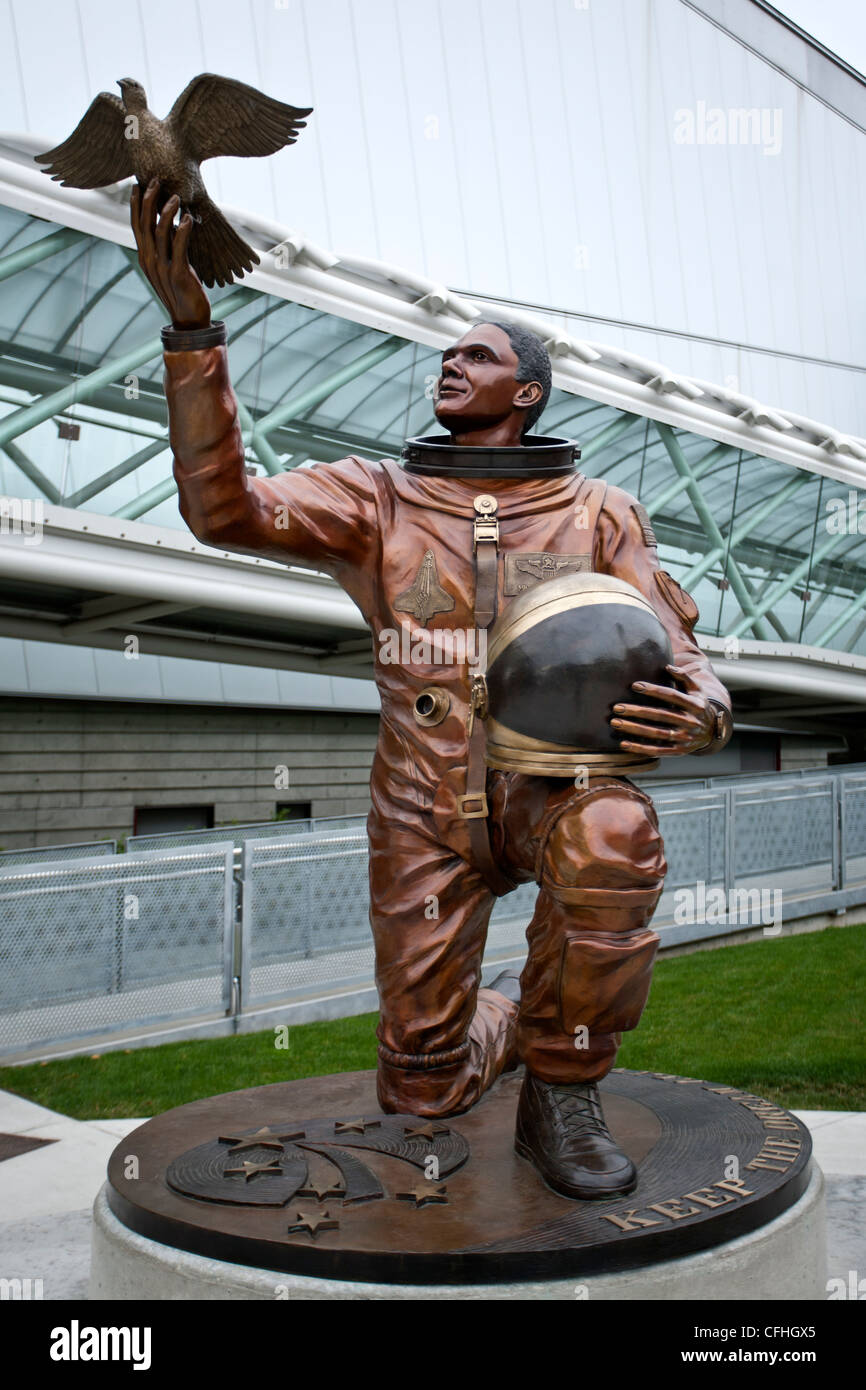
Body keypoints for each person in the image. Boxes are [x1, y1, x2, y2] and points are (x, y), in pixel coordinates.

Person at [131, 180, 733, 1199]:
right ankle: (498, 1019)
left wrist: (705, 711)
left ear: (527, 392)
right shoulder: (376, 497)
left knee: (615, 837)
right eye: (445, 353)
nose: (449, 362)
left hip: (552, 789)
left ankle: (563, 1088)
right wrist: (194, 332)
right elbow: (221, 508)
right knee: (422, 1089)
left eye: (478, 355)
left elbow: (676, 649)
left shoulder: (596, 511)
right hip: (420, 809)